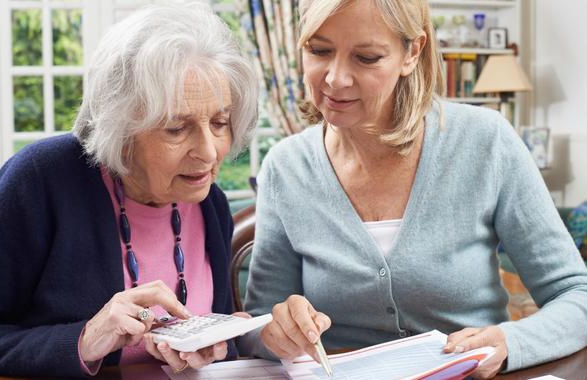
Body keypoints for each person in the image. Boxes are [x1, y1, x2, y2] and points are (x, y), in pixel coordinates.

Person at [238, 0, 587, 378]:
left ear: (412, 52)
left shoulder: (486, 141)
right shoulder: (285, 167)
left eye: (367, 57)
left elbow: (576, 296)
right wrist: (276, 332)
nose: (336, 78)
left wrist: (510, 342)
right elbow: (258, 325)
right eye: (319, 50)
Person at [0, 2, 257, 377]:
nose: (209, 151)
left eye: (220, 122)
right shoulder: (41, 179)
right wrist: (86, 339)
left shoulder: (209, 202)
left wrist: (213, 345)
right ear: (121, 129)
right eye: (177, 129)